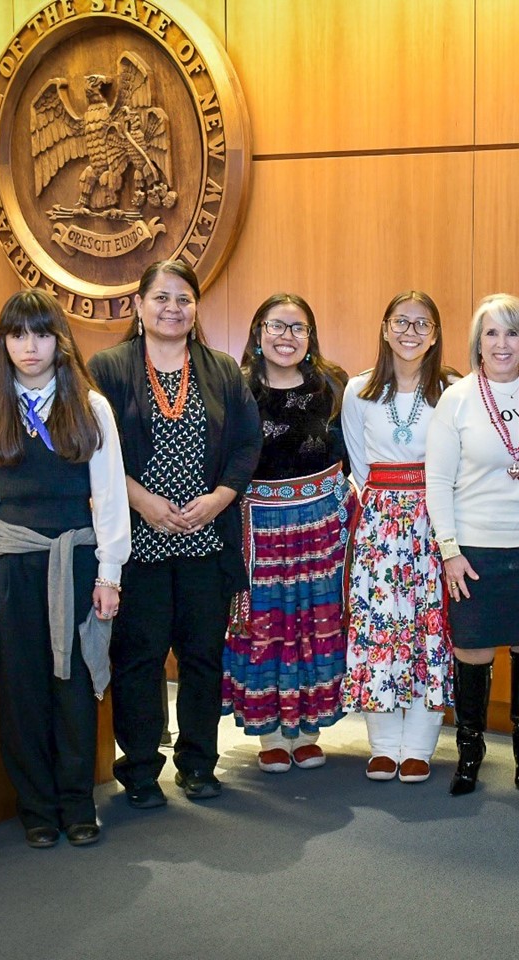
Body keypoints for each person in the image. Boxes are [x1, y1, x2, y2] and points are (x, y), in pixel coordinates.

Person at [88, 260, 262, 807]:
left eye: (183, 299)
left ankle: (198, 764)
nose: (173, 309)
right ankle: (140, 770)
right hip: (137, 544)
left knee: (202, 657)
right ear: (138, 306)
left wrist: (217, 501)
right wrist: (141, 500)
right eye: (161, 298)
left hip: (206, 543)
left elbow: (245, 446)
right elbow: (92, 448)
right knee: (138, 658)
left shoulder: (221, 371)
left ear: (196, 309)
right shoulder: (109, 369)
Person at [0, 289, 130, 848]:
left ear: (60, 341)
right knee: (22, 688)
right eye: (16, 335)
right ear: (3, 343)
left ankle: (78, 804)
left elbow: (109, 499)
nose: (28, 347)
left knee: (76, 684)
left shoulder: (90, 406)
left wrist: (110, 575)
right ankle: (35, 808)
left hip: (77, 562)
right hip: (11, 565)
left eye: (39, 334)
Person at [425, 294, 519, 796]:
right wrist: (449, 551)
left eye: (512, 332)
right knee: (473, 649)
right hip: (476, 548)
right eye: (491, 333)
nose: (502, 343)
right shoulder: (458, 398)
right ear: (477, 343)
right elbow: (437, 481)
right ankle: (470, 751)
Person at [222, 294, 353, 774]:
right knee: (268, 624)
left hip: (320, 522)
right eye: (277, 326)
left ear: (311, 338)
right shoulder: (235, 389)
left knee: (314, 621)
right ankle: (272, 735)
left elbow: (351, 449)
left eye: (298, 328)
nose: (287, 337)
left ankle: (309, 730)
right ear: (258, 333)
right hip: (260, 525)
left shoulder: (333, 385)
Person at [341, 291, 458, 783]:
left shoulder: (452, 389)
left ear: (435, 335)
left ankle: (420, 745)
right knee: (380, 629)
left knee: (427, 627)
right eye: (401, 322)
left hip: (433, 521)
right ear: (385, 327)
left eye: (422, 324)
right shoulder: (358, 389)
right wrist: (382, 510)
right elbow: (358, 463)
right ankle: (384, 745)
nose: (411, 332)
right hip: (379, 522)